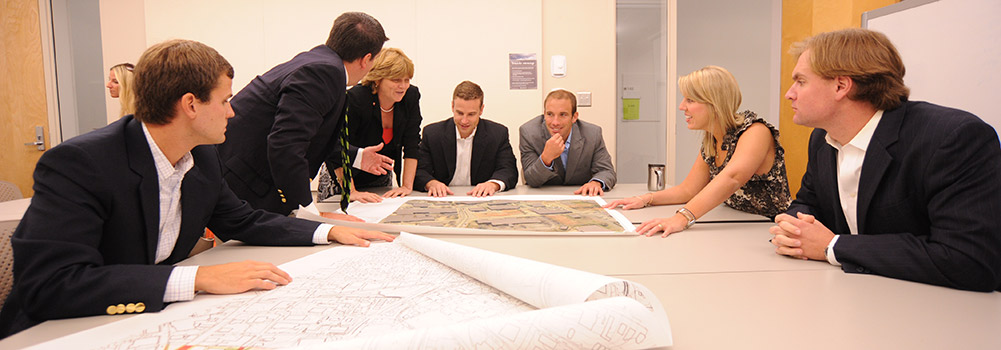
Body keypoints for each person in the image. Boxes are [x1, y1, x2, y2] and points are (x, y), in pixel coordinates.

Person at [0, 39, 394, 337]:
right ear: (191, 105)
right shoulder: (81, 163)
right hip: (55, 332)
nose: (232, 111)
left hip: (142, 325)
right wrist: (199, 279)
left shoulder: (201, 158)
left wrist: (327, 230)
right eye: (224, 100)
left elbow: (243, 220)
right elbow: (50, 286)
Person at [769, 28, 1001, 292]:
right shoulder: (822, 140)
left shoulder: (952, 138)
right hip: (860, 297)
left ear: (841, 86)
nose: (789, 93)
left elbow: (970, 260)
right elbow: (807, 203)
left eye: (800, 81)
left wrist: (832, 246)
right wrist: (795, 229)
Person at [216, 12, 393, 217]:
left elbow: (308, 132)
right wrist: (307, 211)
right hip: (244, 181)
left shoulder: (320, 62)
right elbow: (286, 144)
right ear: (366, 59)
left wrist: (357, 156)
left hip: (240, 173)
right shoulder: (324, 73)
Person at [605, 66, 791, 236]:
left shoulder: (756, 131)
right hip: (736, 226)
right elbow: (688, 190)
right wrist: (645, 199)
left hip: (770, 229)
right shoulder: (712, 139)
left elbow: (732, 178)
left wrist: (681, 218)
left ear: (714, 103)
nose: (681, 107)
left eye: (690, 100)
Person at [319, 48, 422, 203]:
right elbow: (338, 146)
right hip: (342, 176)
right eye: (396, 80)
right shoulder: (356, 99)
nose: (403, 86)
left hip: (378, 176)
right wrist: (351, 191)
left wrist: (406, 187)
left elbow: (412, 144)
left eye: (406, 80)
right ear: (378, 79)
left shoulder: (410, 96)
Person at [414, 81, 518, 197]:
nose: (464, 121)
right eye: (460, 113)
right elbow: (419, 171)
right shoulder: (432, 134)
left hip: (481, 199)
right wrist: (431, 183)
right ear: (452, 106)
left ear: (481, 110)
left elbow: (509, 170)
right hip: (444, 198)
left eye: (471, 114)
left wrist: (493, 184)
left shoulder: (498, 134)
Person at [519, 89, 616, 195]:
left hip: (581, 197)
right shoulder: (529, 133)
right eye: (550, 114)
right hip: (544, 197)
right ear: (544, 114)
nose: (555, 122)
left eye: (563, 115)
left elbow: (606, 171)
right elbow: (531, 179)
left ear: (574, 117)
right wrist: (546, 158)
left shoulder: (592, 134)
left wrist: (596, 183)